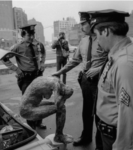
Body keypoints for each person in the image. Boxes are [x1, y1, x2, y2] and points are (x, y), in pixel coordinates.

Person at [52, 12, 108, 149]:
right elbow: (75, 61)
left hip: (100, 81)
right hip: (85, 81)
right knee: (87, 111)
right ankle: (86, 136)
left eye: (83, 23)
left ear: (92, 23)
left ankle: (100, 144)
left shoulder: (103, 38)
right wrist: (59, 72)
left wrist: (99, 68)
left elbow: (113, 59)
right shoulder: (83, 41)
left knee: (100, 113)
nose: (81, 26)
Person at [90, 9, 133, 150]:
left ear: (106, 31)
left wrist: (122, 146)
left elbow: (128, 114)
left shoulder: (124, 63)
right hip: (106, 131)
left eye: (96, 35)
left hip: (114, 137)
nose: (97, 41)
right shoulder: (116, 54)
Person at [2, 24, 46, 130]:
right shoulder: (18, 47)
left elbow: (43, 53)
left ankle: (38, 121)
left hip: (38, 76)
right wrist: (17, 70)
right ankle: (31, 126)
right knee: (28, 102)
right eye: (29, 35)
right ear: (23, 34)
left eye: (33, 34)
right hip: (26, 78)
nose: (31, 37)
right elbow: (4, 58)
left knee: (39, 100)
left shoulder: (38, 44)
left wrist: (42, 63)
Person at [20, 76, 74, 144]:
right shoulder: (55, 85)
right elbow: (53, 100)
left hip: (29, 105)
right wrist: (63, 98)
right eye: (63, 95)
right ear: (62, 91)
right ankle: (59, 136)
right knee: (62, 109)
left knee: (54, 105)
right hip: (27, 110)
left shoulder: (55, 80)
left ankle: (58, 134)